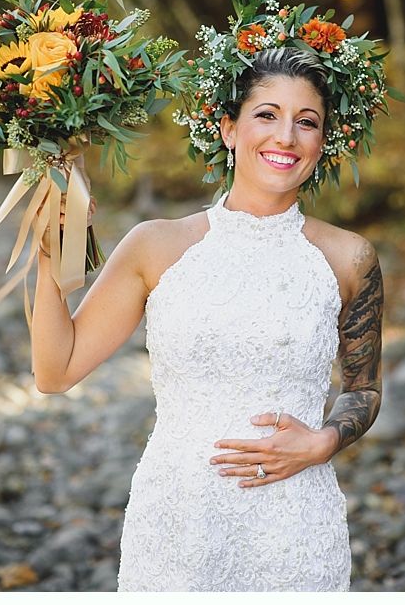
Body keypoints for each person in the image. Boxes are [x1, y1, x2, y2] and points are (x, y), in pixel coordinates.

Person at [31, 47, 384, 591]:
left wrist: (324, 442)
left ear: (322, 141)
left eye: (306, 122)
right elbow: (55, 372)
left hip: (293, 526)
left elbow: (364, 389)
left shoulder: (349, 258)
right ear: (227, 129)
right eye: (266, 114)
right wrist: (49, 256)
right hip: (177, 524)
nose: (286, 137)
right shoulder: (155, 246)